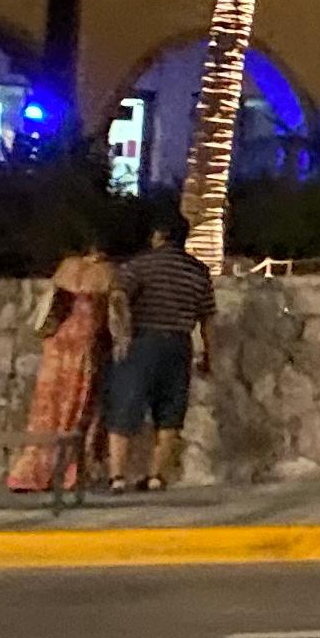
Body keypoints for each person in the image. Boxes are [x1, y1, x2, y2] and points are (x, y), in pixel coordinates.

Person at [106, 200, 216, 492]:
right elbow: (206, 319)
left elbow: (118, 296)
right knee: (169, 413)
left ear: (158, 235)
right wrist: (208, 355)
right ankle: (156, 476)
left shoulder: (140, 265)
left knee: (125, 407)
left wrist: (122, 332)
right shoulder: (198, 272)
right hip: (179, 345)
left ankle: (117, 477)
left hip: (143, 341)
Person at [3, 221, 117, 494]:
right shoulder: (106, 273)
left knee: (46, 408)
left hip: (57, 345)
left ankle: (33, 471)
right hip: (84, 347)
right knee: (76, 409)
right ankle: (68, 472)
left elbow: (53, 305)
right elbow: (114, 317)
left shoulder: (66, 268)